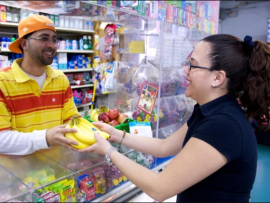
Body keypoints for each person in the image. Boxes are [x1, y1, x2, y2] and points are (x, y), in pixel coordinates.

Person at [78, 34, 270, 202]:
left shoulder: (224, 125)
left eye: (193, 65)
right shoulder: (207, 111)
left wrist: (109, 152)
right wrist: (116, 135)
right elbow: (164, 147)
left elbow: (160, 188)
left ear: (218, 78)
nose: (185, 71)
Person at [0, 14, 79, 155]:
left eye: (54, 40)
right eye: (44, 38)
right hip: (18, 173)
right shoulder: (3, 82)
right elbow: (1, 139)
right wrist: (45, 137)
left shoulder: (61, 80)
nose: (52, 45)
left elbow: (72, 121)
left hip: (57, 168)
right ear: (24, 44)